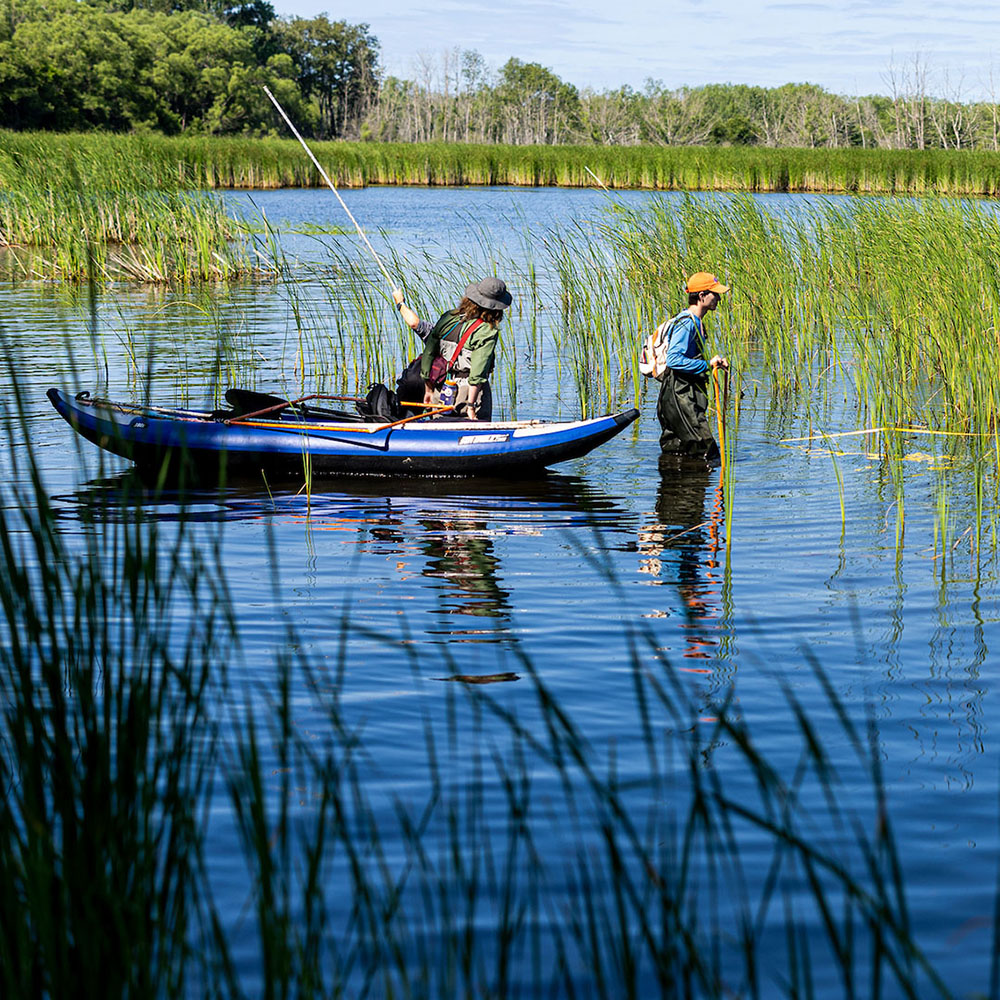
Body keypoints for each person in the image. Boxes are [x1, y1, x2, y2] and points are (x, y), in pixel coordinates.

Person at [394, 277, 512, 421]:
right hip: (467, 393)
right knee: (475, 436)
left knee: (439, 431)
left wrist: (429, 390)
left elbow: (429, 354)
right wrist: (471, 406)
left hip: (441, 389)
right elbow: (477, 374)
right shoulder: (487, 331)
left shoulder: (449, 318)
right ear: (497, 308)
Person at [656, 271, 730, 464]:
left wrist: (714, 364)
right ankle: (696, 489)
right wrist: (707, 364)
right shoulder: (687, 323)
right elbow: (673, 360)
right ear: (702, 296)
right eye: (715, 294)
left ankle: (674, 488)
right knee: (707, 450)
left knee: (676, 449)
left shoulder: (695, 322)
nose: (719, 298)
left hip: (679, 394)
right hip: (679, 395)